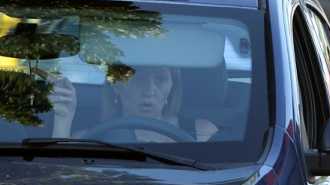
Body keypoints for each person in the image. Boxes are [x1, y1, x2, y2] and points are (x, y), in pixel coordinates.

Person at [52, 65, 218, 142]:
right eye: (138, 78)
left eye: (160, 79)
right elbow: (57, 176)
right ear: (116, 86)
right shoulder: (90, 138)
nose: (149, 90)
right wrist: (63, 119)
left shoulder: (202, 133)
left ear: (172, 87)